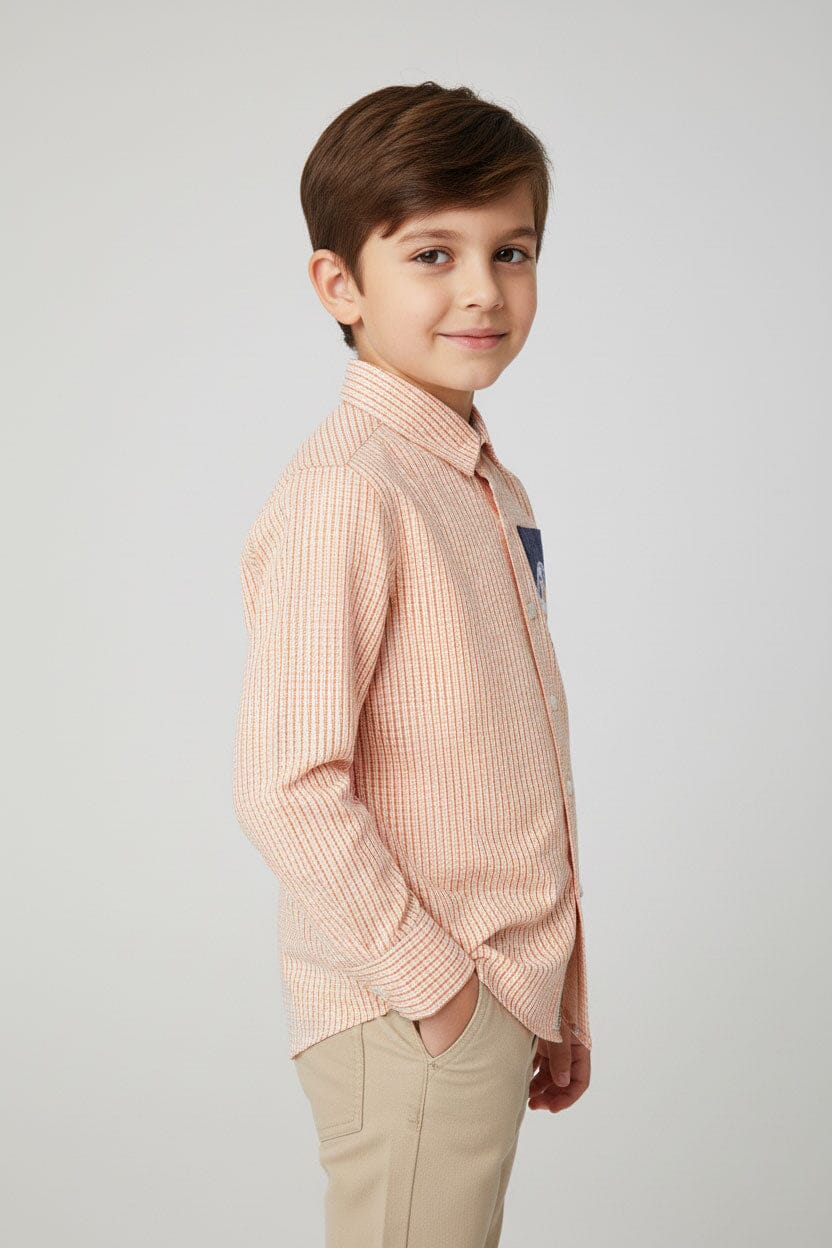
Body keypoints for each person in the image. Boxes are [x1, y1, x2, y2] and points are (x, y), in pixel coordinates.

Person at [232, 80, 592, 1248]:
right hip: (411, 1003)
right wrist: (442, 993)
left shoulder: (480, 483)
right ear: (340, 285)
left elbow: (502, 759)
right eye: (433, 253)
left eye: (512, 251)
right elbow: (287, 784)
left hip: (487, 995)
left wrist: (548, 994)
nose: (483, 288)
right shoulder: (351, 490)